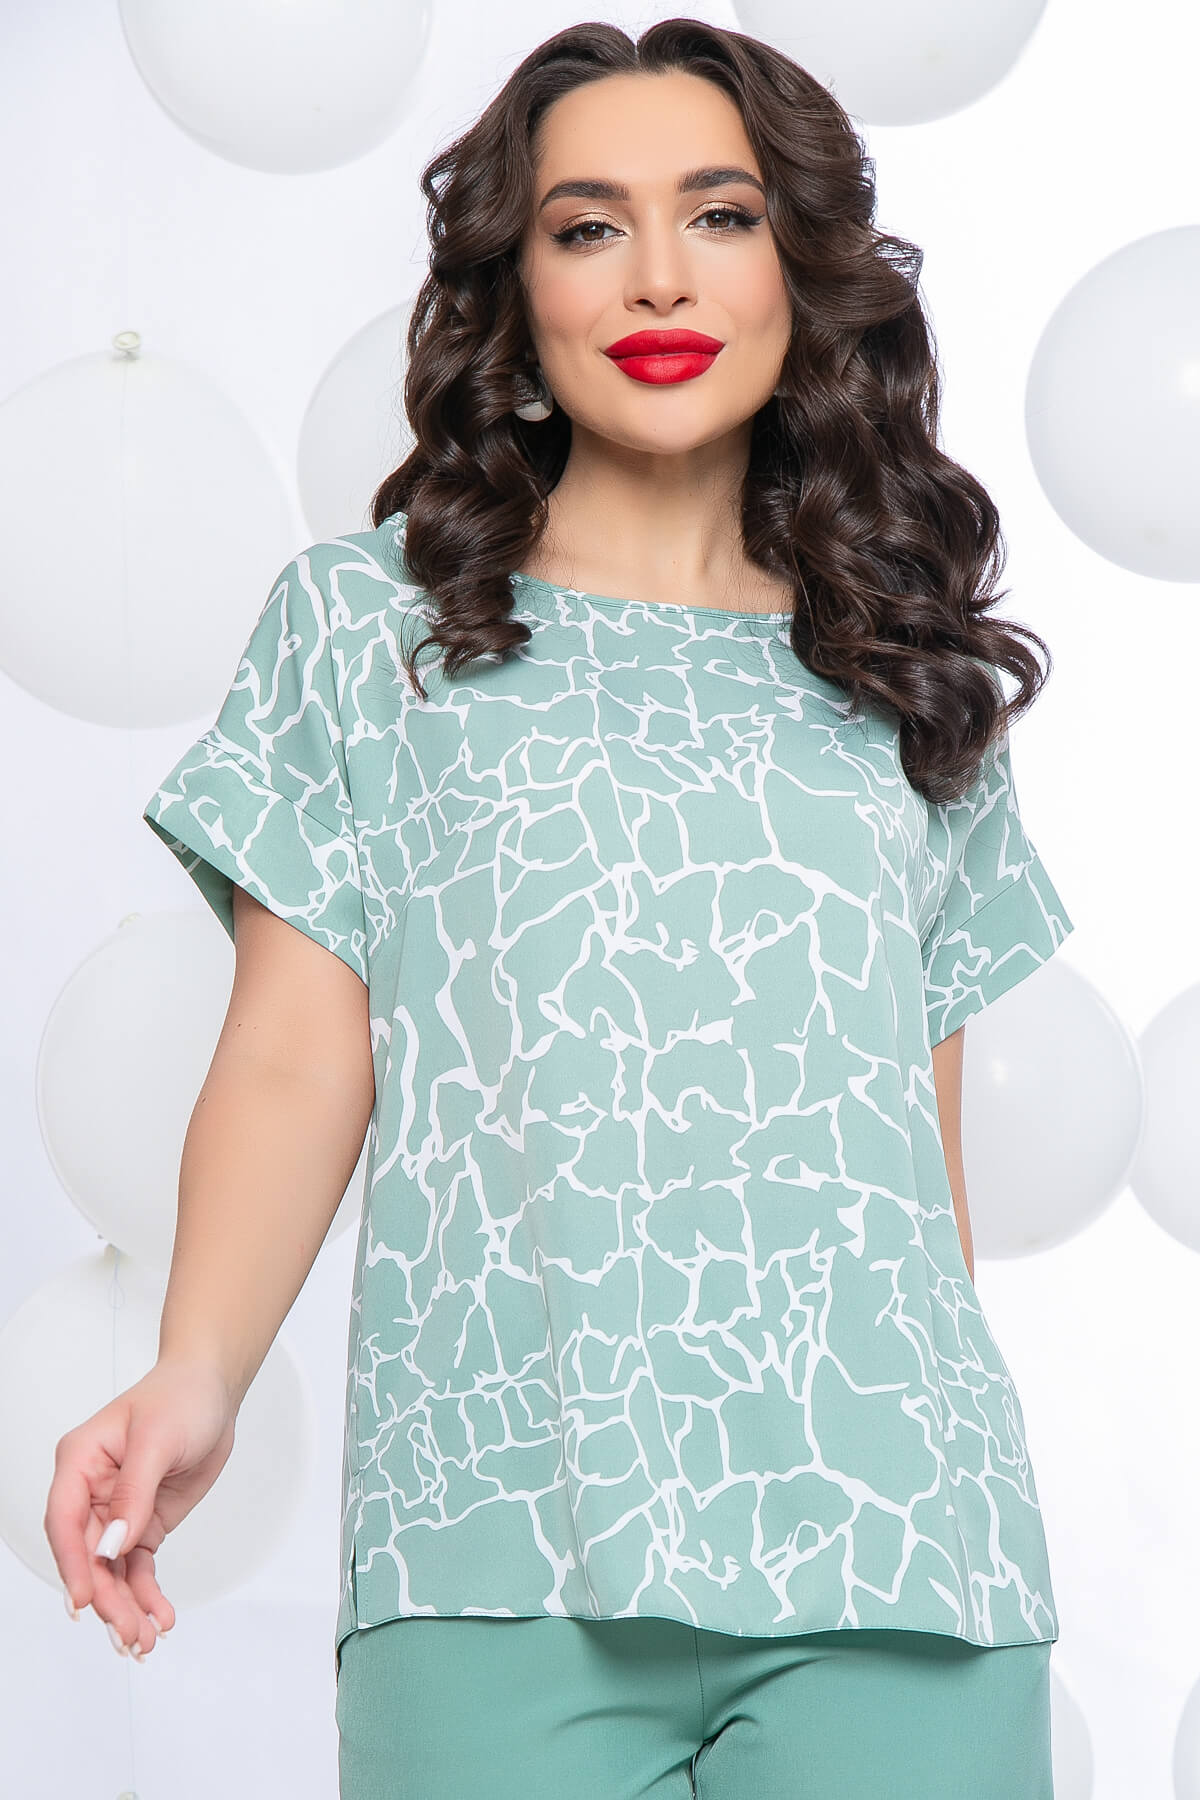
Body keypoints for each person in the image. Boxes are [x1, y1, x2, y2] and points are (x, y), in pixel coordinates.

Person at [45, 18, 1074, 1798]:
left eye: (721, 215)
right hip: (490, 1548)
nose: (660, 274)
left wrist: (929, 1476)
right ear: (514, 294)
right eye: (589, 226)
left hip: (901, 1552)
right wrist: (195, 1372)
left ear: (802, 267)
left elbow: (917, 1165)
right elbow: (296, 1058)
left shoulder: (909, 672)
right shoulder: (369, 632)